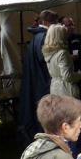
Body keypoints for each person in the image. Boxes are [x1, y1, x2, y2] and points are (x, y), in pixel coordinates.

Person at [17, 9, 59, 145]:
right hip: (43, 83)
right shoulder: (45, 37)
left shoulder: (36, 37)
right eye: (54, 22)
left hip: (36, 82)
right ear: (47, 22)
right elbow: (45, 60)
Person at [43, 23, 81, 100]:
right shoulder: (62, 53)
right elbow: (67, 76)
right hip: (66, 90)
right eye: (65, 35)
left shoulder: (48, 53)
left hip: (55, 88)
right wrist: (80, 75)